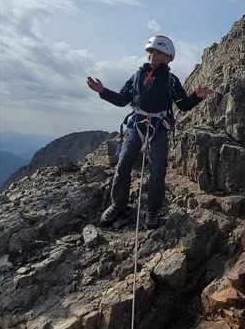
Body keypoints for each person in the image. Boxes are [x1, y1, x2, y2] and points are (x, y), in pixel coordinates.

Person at [87, 35, 209, 228]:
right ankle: (118, 204)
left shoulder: (171, 80)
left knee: (158, 170)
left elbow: (183, 105)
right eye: (151, 51)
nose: (153, 55)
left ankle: (152, 210)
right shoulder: (137, 77)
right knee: (123, 165)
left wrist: (196, 96)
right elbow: (121, 100)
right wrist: (103, 91)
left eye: (158, 52)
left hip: (159, 128)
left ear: (168, 58)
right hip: (137, 126)